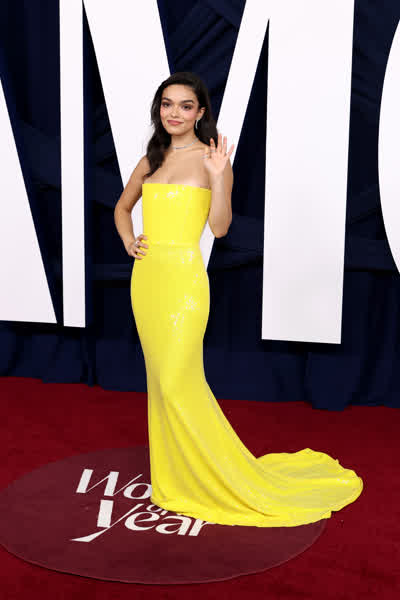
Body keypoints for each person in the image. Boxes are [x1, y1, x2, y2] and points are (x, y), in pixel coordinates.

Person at [114, 71, 363, 527]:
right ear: (159, 109)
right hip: (146, 282)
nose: (174, 113)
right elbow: (122, 207)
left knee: (179, 381)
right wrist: (130, 241)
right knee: (161, 383)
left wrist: (217, 178)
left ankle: (214, 476)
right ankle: (176, 476)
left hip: (185, 285)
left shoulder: (213, 160)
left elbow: (221, 227)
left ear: (200, 112)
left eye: (185, 105)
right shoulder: (150, 159)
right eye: (167, 104)